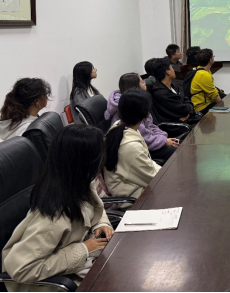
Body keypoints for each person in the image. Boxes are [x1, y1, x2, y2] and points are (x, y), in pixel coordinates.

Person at [2, 125, 113, 291]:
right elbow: (21, 268)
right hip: (58, 283)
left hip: (82, 265)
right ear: (85, 163)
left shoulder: (78, 184)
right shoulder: (54, 218)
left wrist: (100, 224)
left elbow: (95, 206)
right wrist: (84, 249)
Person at [105, 73, 179, 166]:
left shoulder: (139, 102)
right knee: (174, 152)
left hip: (148, 141)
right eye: (142, 81)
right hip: (138, 147)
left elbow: (150, 125)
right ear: (135, 86)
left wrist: (163, 138)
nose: (145, 83)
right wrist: (164, 141)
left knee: (176, 145)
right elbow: (143, 138)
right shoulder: (130, 108)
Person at [104, 89, 162, 202]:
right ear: (147, 114)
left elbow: (148, 166)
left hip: (132, 184)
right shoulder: (132, 147)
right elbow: (155, 178)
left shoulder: (118, 126)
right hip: (132, 198)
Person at [0, 78, 51, 142]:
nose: (47, 97)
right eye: (45, 94)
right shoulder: (29, 131)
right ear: (37, 101)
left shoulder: (11, 120)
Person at [150, 59, 195, 127]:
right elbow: (183, 111)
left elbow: (187, 100)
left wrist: (189, 113)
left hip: (187, 120)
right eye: (172, 68)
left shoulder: (173, 86)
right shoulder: (161, 94)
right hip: (177, 126)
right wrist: (188, 111)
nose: (174, 71)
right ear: (168, 72)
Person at [190, 49, 223, 114]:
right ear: (210, 60)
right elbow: (214, 96)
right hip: (202, 107)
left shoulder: (203, 71)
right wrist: (224, 107)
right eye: (213, 56)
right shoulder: (203, 74)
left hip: (207, 102)